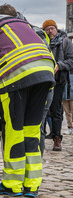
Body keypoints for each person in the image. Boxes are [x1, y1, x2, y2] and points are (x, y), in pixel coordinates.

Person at [0, 3, 55, 197]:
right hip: (45, 72)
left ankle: (12, 185)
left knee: (13, 132)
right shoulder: (21, 23)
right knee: (31, 132)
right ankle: (31, 185)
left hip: (14, 77)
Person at [0, 3, 53, 156]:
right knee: (35, 127)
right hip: (44, 82)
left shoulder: (2, 31)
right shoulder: (37, 31)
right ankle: (34, 167)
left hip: (18, 84)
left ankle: (18, 169)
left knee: (14, 128)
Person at [42, 19, 73, 151]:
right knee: (41, 110)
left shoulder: (66, 42)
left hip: (59, 81)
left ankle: (57, 138)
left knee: (56, 111)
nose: (50, 32)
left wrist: (59, 66)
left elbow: (71, 61)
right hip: (42, 80)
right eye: (47, 29)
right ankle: (40, 137)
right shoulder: (41, 42)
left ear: (56, 28)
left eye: (52, 28)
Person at [62, 70, 73, 135]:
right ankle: (70, 127)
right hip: (64, 95)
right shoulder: (64, 71)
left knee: (72, 111)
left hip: (71, 94)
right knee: (67, 112)